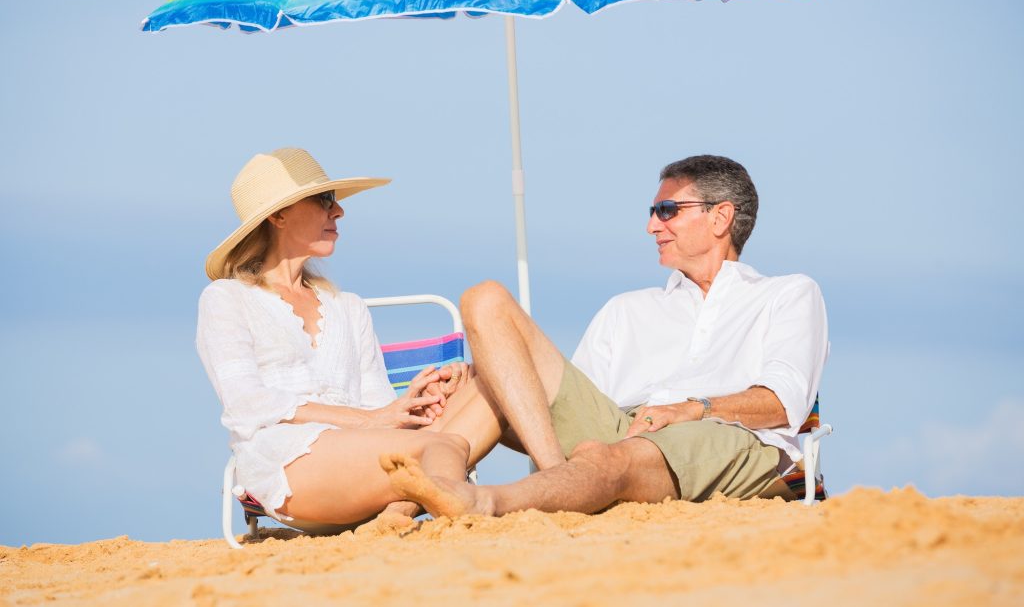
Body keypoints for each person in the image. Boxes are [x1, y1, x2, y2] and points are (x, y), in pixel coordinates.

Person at [380, 155, 830, 517]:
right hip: (620, 431)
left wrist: (689, 409)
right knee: (485, 301)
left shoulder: (785, 294)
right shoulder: (626, 309)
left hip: (725, 435)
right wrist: (492, 376)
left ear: (720, 218)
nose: (652, 225)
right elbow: (559, 412)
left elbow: (781, 404)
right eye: (654, 212)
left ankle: (482, 502)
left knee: (608, 457)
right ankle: (430, 498)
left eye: (668, 210)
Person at [196, 147, 504, 533]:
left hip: (366, 457)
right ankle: (454, 525)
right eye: (325, 200)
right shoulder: (228, 298)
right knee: (439, 447)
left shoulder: (348, 307)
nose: (338, 212)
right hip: (290, 460)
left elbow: (378, 406)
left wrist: (418, 404)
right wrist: (368, 419)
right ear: (278, 215)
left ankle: (402, 509)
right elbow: (246, 404)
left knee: (492, 381)